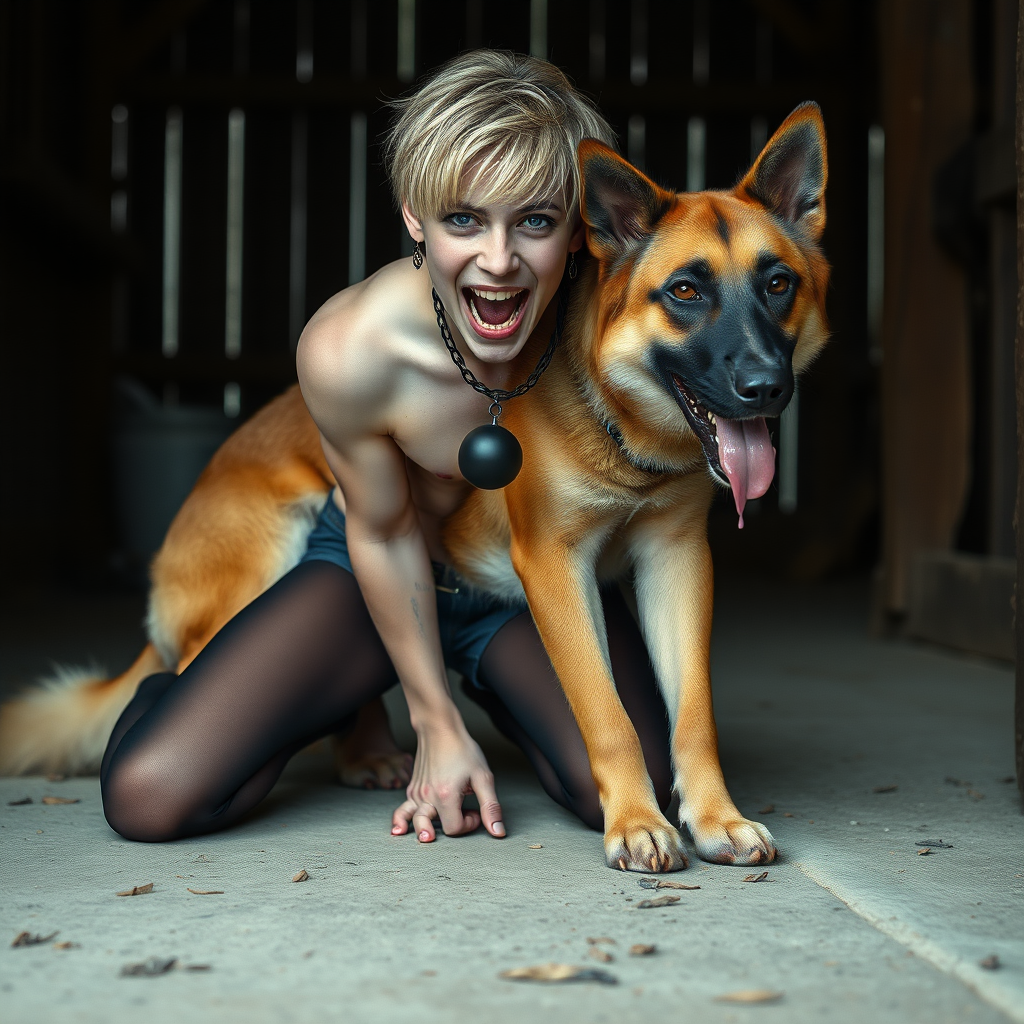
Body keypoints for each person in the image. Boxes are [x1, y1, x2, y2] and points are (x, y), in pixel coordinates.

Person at [100, 50, 674, 844]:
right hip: (385, 574)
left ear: (581, 229)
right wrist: (433, 722)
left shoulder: (616, 328)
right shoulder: (352, 350)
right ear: (414, 216)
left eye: (535, 221)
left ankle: (503, 694)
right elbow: (382, 528)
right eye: (464, 220)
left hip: (536, 577)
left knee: (648, 789)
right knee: (149, 796)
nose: (499, 262)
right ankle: (217, 691)